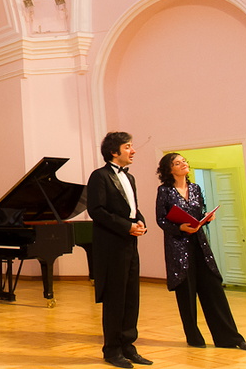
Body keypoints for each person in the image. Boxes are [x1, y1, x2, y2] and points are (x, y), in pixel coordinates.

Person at [155, 153, 246, 351]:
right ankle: (194, 337)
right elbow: (161, 220)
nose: (183, 164)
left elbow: (199, 212)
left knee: (213, 289)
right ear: (169, 170)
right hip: (179, 247)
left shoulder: (195, 188)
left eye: (184, 161)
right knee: (187, 293)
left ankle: (230, 338)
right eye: (177, 163)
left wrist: (206, 218)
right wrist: (180, 228)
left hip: (199, 244)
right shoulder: (164, 190)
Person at [87, 132, 153, 368]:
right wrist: (127, 226)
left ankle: (128, 345)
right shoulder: (99, 176)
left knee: (131, 296)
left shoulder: (130, 177)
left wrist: (140, 221)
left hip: (129, 244)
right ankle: (112, 350)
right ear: (114, 152)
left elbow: (132, 208)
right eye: (128, 147)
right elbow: (97, 210)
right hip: (112, 245)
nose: (133, 151)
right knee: (115, 298)